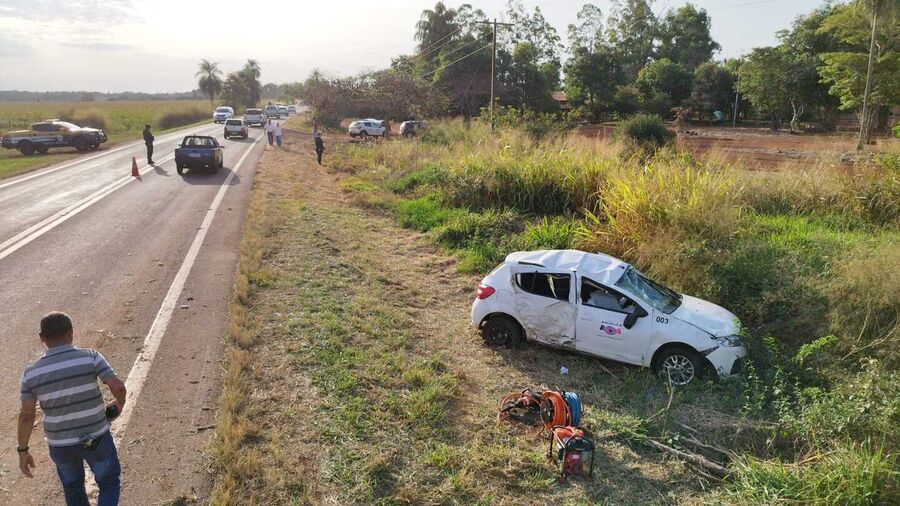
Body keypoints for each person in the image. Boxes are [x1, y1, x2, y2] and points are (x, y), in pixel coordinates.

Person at [18, 312, 127, 506]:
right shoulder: (91, 357)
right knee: (109, 482)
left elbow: (27, 415)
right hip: (96, 437)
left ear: (42, 338)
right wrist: (119, 404)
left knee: (73, 487)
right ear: (71, 334)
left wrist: (23, 450)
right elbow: (117, 386)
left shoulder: (31, 373)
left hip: (60, 443)